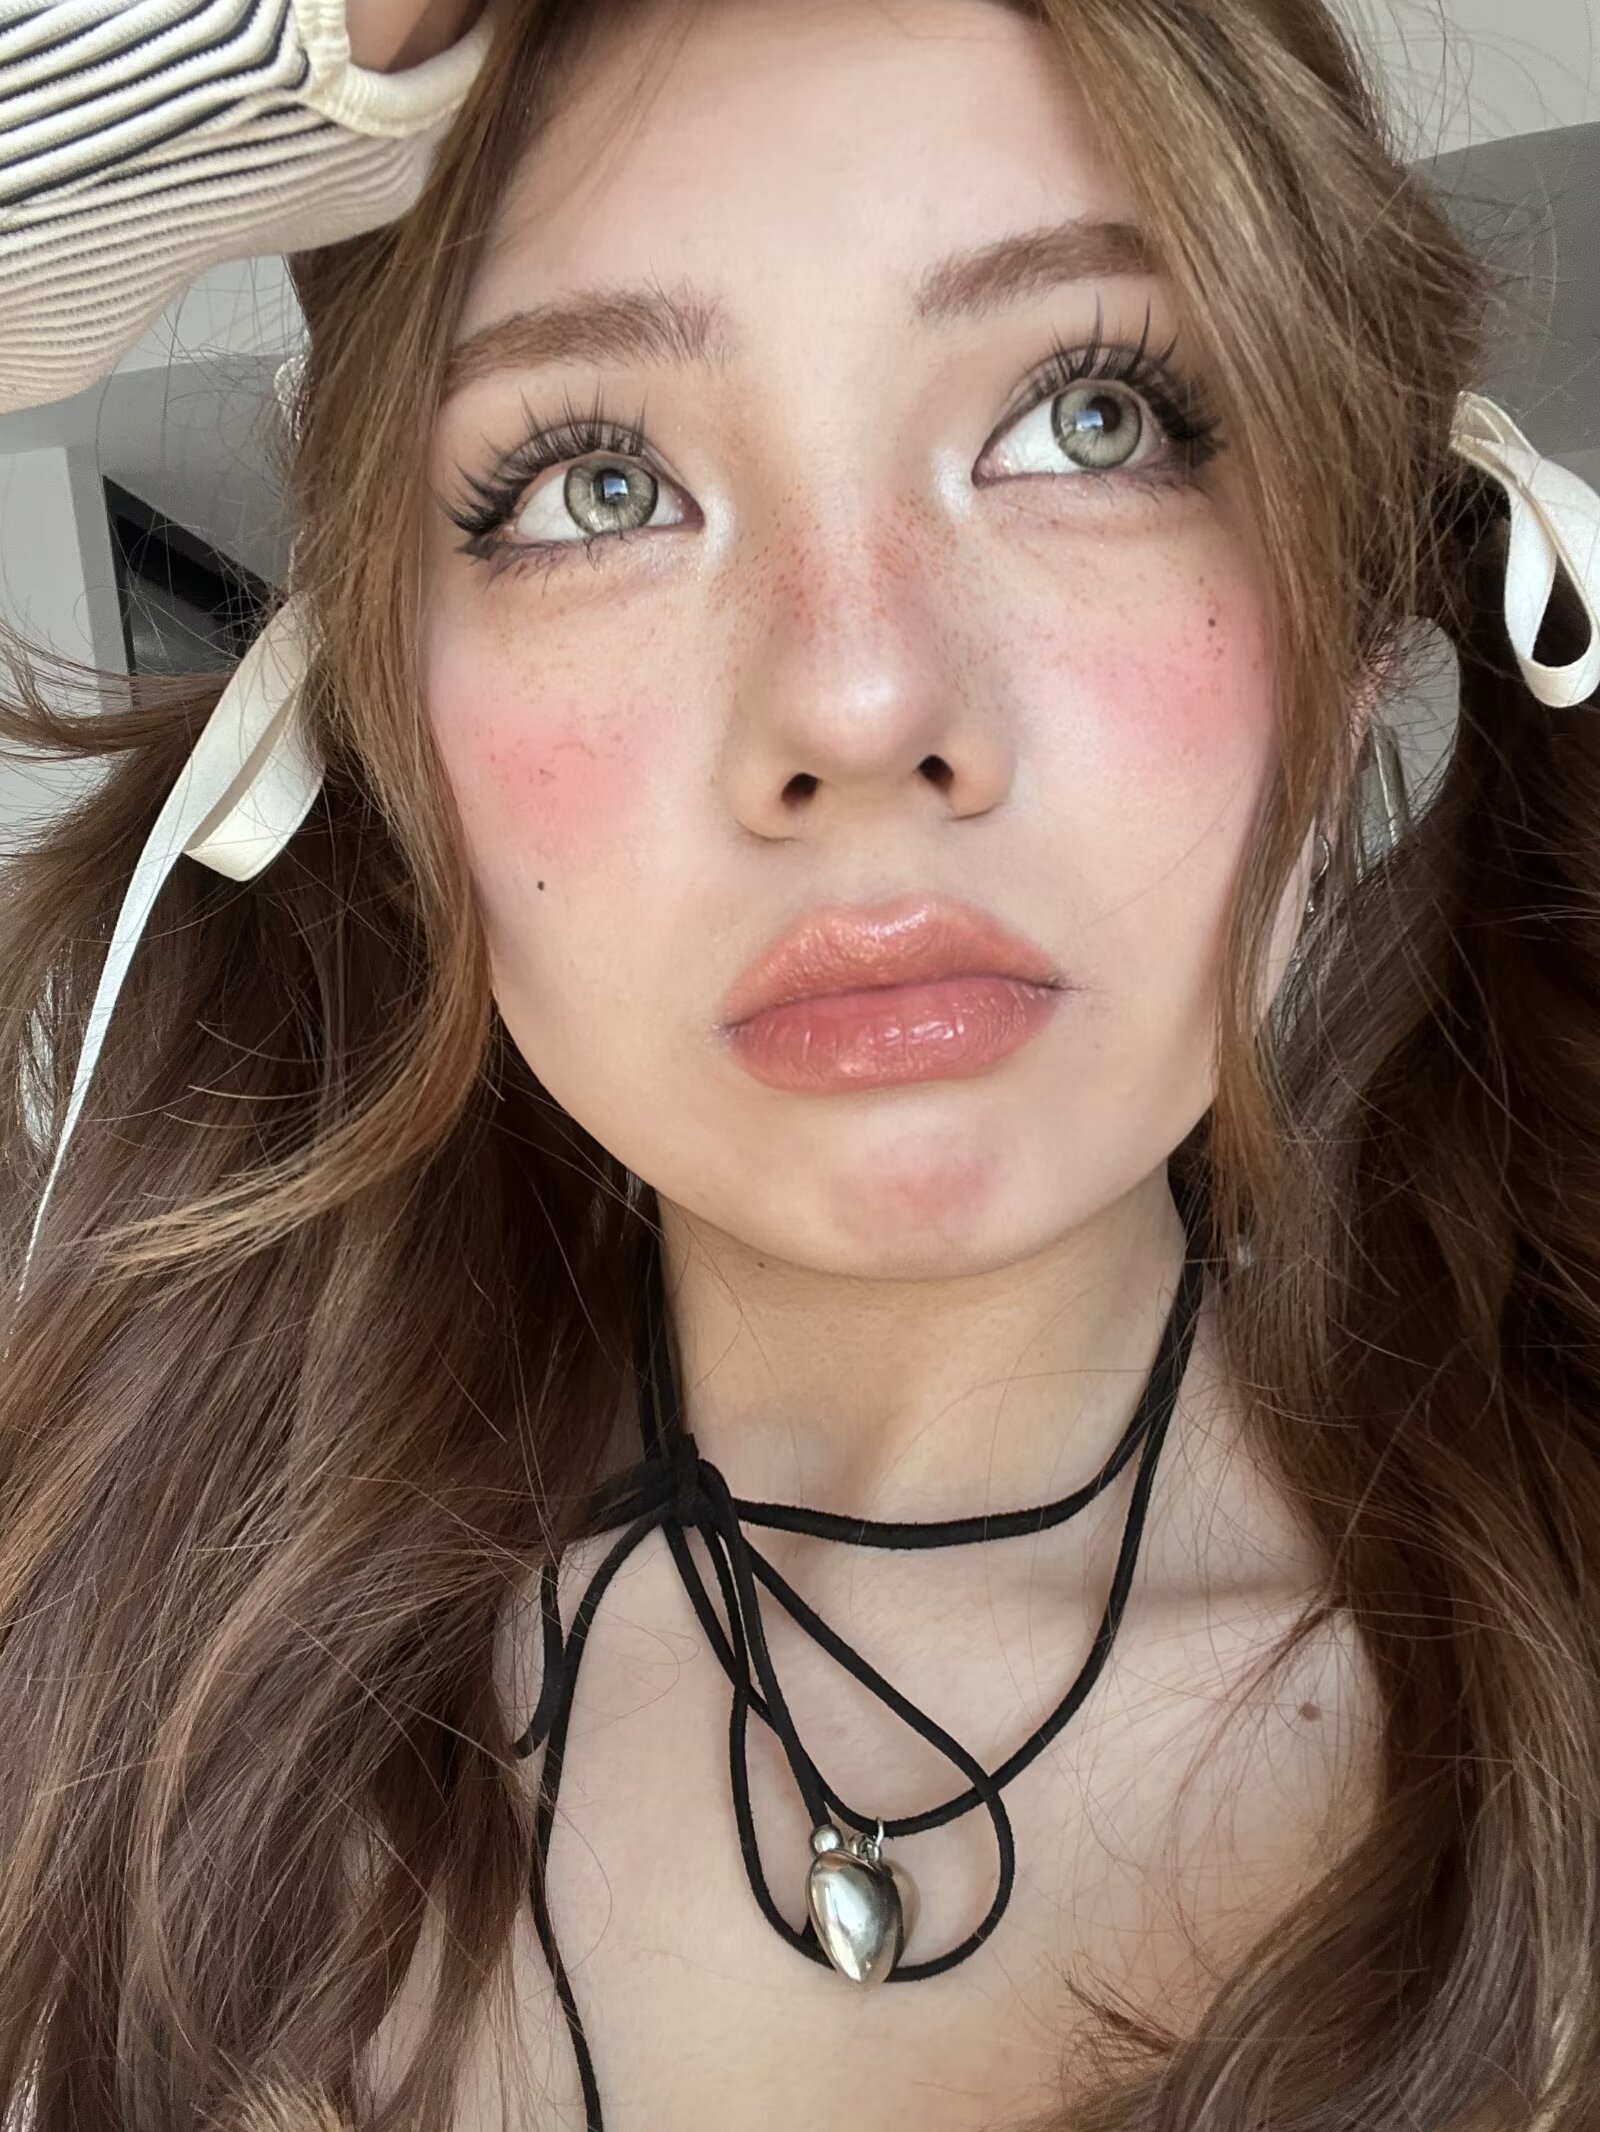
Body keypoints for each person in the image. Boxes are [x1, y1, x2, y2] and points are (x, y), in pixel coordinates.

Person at [0, 2, 1596, 2129]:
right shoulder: (102, 1711)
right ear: (368, 708)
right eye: (600, 484)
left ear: (1369, 597)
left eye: (1093, 419)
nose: (855, 704)